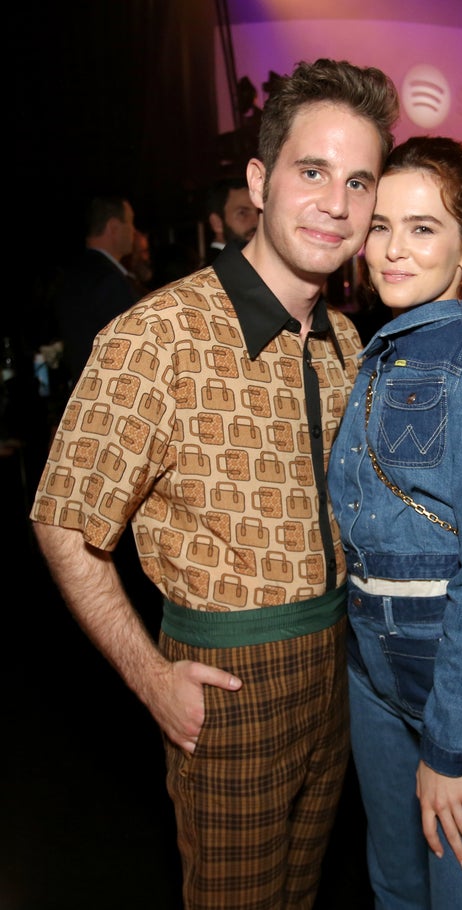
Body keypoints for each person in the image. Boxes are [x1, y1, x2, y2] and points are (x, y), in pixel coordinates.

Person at [29, 57, 400, 910]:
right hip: (228, 685)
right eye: (313, 172)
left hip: (336, 669)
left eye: (358, 181)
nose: (337, 204)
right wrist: (151, 677)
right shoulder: (157, 336)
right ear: (261, 181)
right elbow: (62, 521)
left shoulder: (346, 339)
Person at [327, 136, 462, 909]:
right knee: (395, 890)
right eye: (381, 225)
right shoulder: (374, 350)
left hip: (457, 691)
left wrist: (451, 748)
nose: (390, 250)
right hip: (372, 679)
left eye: (422, 228)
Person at [51, 194, 140, 392]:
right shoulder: (109, 280)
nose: (134, 231)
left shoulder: (73, 274)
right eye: (131, 223)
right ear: (114, 227)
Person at [204, 175, 259, 265]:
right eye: (242, 213)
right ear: (217, 223)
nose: (257, 221)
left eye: (259, 212)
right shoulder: (215, 273)